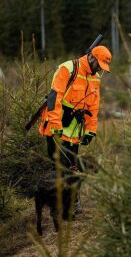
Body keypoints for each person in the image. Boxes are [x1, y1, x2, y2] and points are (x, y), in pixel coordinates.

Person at [38, 45, 112, 211]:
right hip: (56, 127)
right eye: (98, 64)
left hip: (74, 131)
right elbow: (54, 98)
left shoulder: (96, 78)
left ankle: (72, 202)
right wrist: (56, 126)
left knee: (72, 167)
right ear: (91, 57)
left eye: (102, 67)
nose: (100, 68)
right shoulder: (68, 68)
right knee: (60, 167)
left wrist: (91, 130)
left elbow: (93, 107)